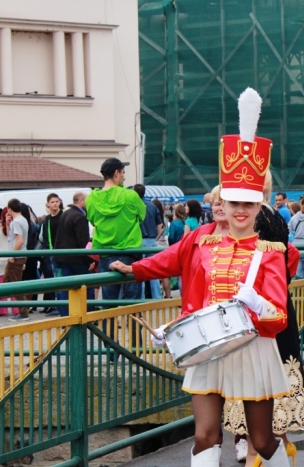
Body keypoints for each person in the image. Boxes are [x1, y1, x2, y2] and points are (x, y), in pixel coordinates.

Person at [111, 88, 292, 467]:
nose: (240, 210)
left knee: (262, 439)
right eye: (232, 202)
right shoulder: (204, 244)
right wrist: (176, 326)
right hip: (209, 346)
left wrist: (256, 303)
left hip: (254, 349)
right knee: (205, 434)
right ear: (220, 204)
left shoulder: (271, 253)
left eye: (248, 203)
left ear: (260, 205)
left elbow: (278, 319)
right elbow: (188, 283)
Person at [222, 177, 304, 466]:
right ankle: (281, 444)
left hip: (254, 303)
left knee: (255, 377)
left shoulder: (251, 217)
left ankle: (256, 452)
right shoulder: (276, 214)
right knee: (278, 372)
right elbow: (290, 255)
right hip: (278, 299)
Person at [86, 157, 146, 312]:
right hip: (129, 252)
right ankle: (134, 336)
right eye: (123, 173)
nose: (124, 177)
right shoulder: (131, 196)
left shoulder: (91, 198)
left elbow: (92, 220)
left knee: (108, 304)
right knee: (133, 304)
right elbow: (142, 215)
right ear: (116, 173)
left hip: (105, 253)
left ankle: (108, 336)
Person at [53, 191, 95, 317]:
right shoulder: (80, 217)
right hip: (78, 259)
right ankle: (90, 314)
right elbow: (83, 241)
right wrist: (90, 260)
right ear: (81, 201)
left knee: (67, 288)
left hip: (65, 257)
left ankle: (66, 316)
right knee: (88, 286)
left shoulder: (66, 214)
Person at [133, 184, 164, 300]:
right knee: (153, 271)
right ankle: (157, 297)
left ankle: (140, 298)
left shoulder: (134, 206)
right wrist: (155, 237)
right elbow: (160, 224)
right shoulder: (152, 206)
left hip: (138, 241)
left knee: (138, 270)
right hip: (151, 241)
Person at [6, 199, 30, 322]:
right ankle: (25, 305)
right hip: (21, 255)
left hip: (16, 256)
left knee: (12, 284)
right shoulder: (23, 220)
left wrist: (12, 255)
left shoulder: (16, 222)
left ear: (10, 209)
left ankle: (24, 310)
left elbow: (19, 241)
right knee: (11, 282)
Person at [40, 193, 64, 316]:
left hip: (63, 253)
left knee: (61, 280)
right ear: (48, 204)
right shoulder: (47, 220)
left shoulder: (64, 216)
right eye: (52, 202)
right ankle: (58, 306)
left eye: (56, 201)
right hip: (52, 253)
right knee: (55, 280)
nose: (55, 204)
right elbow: (44, 237)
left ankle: (62, 306)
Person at [152, 199, 172, 299]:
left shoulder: (154, 218)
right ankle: (168, 296)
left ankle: (156, 295)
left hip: (156, 245)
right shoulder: (165, 219)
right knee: (165, 274)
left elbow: (156, 233)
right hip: (164, 245)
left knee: (155, 272)